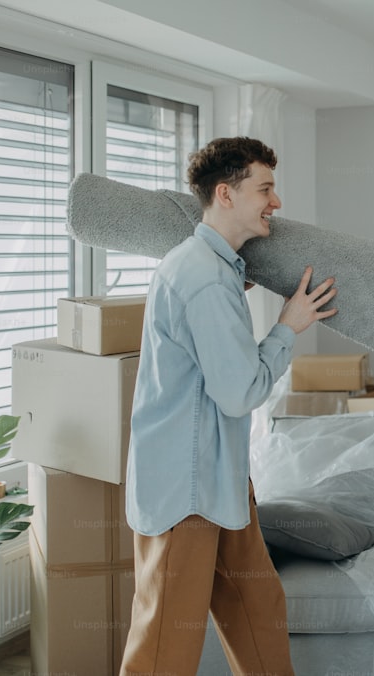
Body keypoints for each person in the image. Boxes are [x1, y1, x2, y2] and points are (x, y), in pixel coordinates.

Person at [120, 136, 338, 676]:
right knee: (165, 647)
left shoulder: (217, 270)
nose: (276, 202)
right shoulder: (202, 278)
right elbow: (240, 392)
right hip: (185, 491)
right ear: (225, 193)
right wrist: (287, 328)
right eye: (265, 188)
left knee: (258, 610)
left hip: (218, 480)